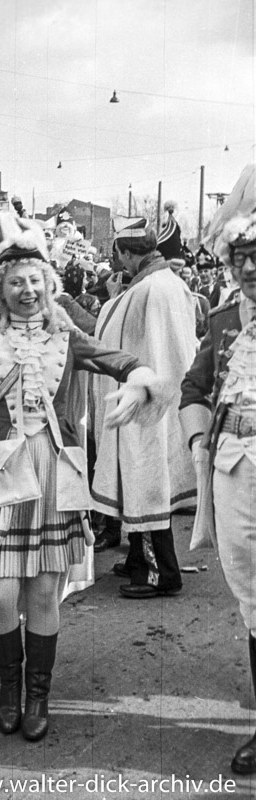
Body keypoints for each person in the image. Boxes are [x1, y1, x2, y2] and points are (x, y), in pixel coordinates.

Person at [0, 210, 166, 741]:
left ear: (50, 286)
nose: (27, 289)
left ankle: (37, 694)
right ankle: (8, 685)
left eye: (35, 281)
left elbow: (125, 361)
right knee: (0, 594)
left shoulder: (67, 338)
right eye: (16, 281)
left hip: (54, 477)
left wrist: (139, 384)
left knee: (45, 593)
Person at [179, 164, 256, 775]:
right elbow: (194, 384)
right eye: (243, 257)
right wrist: (201, 434)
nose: (252, 268)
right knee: (251, 596)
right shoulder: (224, 318)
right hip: (234, 468)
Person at [91, 217, 197, 597]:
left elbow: (125, 341)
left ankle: (160, 573)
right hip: (156, 395)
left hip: (147, 402)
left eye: (118, 255)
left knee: (146, 483)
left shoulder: (151, 289)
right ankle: (138, 558)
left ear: (124, 253)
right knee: (138, 479)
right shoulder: (166, 283)